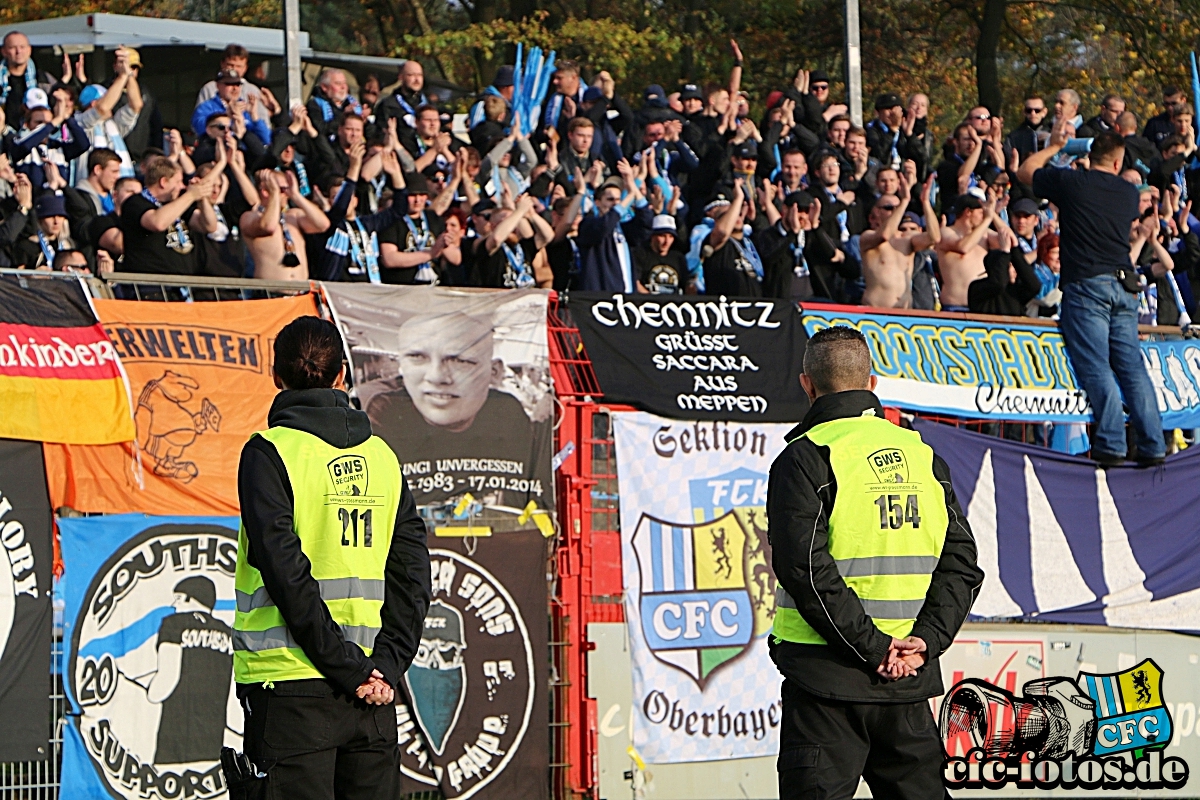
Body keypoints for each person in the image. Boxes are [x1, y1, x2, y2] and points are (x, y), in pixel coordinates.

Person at [767, 325, 982, 800]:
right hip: (906, 684)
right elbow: (963, 564)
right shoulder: (922, 454)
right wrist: (923, 643)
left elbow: (804, 569)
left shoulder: (805, 457)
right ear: (873, 383)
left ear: (807, 385)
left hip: (826, 682)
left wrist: (875, 648)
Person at [234, 315, 431, 799]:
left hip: (292, 686)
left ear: (277, 377)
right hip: (372, 691)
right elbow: (413, 574)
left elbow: (286, 576)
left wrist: (354, 668)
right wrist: (387, 663)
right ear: (343, 375)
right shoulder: (383, 456)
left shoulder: (269, 451)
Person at [1018, 121, 1167, 466]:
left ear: (1090, 155)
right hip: (1124, 284)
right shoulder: (1128, 193)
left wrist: (1056, 146)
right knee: (1131, 367)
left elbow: (1026, 171)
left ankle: (1112, 442)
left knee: (1096, 365)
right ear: (1118, 163)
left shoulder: (1072, 182)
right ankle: (1153, 443)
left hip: (1088, 285)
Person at [147, 576, 233, 765]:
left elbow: (167, 679)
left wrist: (150, 689)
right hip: (212, 740)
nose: (174, 604)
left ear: (191, 599)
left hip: (175, 739)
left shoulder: (174, 624)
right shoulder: (227, 632)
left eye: (178, 598)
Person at [120, 155, 220, 276]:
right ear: (163, 182)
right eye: (178, 181)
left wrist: (201, 198)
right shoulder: (135, 202)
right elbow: (157, 223)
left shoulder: (178, 203)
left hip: (180, 286)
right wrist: (191, 195)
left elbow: (210, 226)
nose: (182, 186)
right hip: (150, 285)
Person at [860, 177, 940, 308]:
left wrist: (925, 203)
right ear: (876, 212)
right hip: (875, 312)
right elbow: (885, 235)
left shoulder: (907, 239)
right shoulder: (867, 236)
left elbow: (934, 238)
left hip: (904, 313)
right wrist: (904, 201)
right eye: (889, 208)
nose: (896, 211)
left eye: (897, 208)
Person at [240, 168, 330, 280]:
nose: (286, 194)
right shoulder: (250, 217)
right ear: (265, 191)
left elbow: (323, 225)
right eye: (282, 190)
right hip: (272, 294)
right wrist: (274, 194)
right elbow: (268, 226)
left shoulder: (293, 216)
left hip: (301, 293)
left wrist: (296, 195)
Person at [634, 214, 689, 293]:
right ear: (653, 236)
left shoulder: (678, 258)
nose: (667, 241)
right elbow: (636, 283)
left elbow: (686, 284)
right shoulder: (640, 255)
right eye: (663, 236)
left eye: (671, 236)